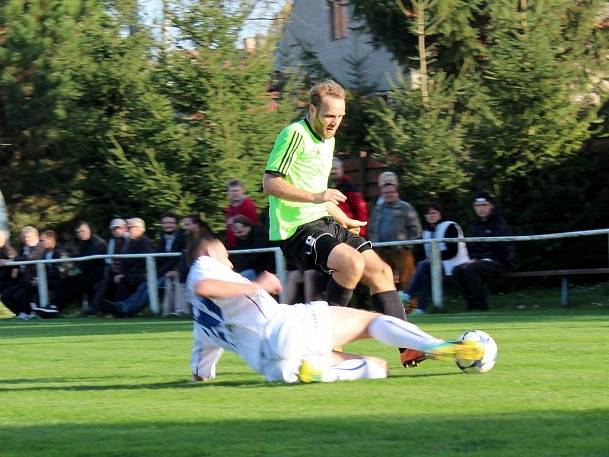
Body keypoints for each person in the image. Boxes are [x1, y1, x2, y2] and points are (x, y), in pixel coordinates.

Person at [262, 79, 420, 367]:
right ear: (312, 110)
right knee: (351, 264)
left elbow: (318, 196)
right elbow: (270, 183)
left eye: (340, 116)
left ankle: (407, 346)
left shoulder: (329, 139)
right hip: (296, 229)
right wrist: (316, 196)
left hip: (323, 221)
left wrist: (343, 218)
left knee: (382, 271)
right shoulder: (294, 134)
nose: (335, 122)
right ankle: (323, 344)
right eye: (329, 116)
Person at [188, 236, 483, 383]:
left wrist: (200, 378)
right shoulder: (203, 265)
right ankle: (437, 345)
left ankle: (319, 372)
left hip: (272, 367)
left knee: (379, 368)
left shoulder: (201, 326)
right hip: (287, 327)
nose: (229, 262)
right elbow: (204, 286)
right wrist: (257, 285)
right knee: (372, 321)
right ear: (208, 252)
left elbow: (201, 373)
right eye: (225, 256)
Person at [401, 203, 470, 314]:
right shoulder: (426, 232)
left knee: (423, 265)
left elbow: (453, 251)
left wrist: (434, 258)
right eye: (428, 213)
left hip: (455, 263)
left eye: (434, 212)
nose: (431, 215)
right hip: (437, 265)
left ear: (440, 214)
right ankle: (420, 309)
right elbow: (424, 252)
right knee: (424, 275)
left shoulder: (450, 226)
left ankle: (408, 294)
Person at [452, 192, 516, 311]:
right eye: (477, 205)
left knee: (471, 268)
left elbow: (504, 249)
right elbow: (473, 247)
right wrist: (474, 258)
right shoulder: (476, 225)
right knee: (458, 270)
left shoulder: (500, 223)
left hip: (499, 262)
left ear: (491, 205)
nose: (481, 208)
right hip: (481, 261)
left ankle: (482, 306)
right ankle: (471, 305)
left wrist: (484, 259)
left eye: (484, 205)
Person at [35, 222, 106, 317]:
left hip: (96, 275)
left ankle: (55, 308)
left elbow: (85, 264)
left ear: (90, 230)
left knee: (73, 286)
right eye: (78, 232)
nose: (80, 234)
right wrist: (70, 273)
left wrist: (73, 273)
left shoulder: (97, 243)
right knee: (64, 281)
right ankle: (53, 307)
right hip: (84, 274)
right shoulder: (82, 243)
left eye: (82, 231)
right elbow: (78, 262)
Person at [368, 183, 422, 293]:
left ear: (397, 193)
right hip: (382, 252)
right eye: (386, 193)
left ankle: (411, 308)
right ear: (382, 194)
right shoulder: (377, 210)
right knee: (385, 282)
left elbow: (416, 229)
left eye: (391, 192)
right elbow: (372, 229)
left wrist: (407, 245)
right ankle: (389, 308)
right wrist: (374, 245)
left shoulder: (405, 207)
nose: (389, 194)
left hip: (402, 252)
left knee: (408, 281)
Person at [108, 218, 153, 317]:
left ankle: (121, 308)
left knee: (125, 280)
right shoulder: (130, 242)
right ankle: (118, 307)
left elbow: (142, 264)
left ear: (140, 228)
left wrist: (125, 274)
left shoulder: (145, 242)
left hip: (142, 274)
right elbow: (126, 262)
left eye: (130, 227)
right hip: (133, 274)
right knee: (120, 279)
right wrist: (122, 274)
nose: (127, 230)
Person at [330, 158, 368, 238]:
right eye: (331, 168)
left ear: (341, 169)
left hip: (349, 232)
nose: (333, 171)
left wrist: (361, 234)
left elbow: (360, 209)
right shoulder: (325, 187)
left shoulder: (349, 187)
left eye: (335, 168)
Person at [229, 215, 274, 281]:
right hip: (252, 269)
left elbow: (256, 257)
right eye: (235, 232)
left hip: (264, 270)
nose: (238, 235)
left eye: (240, 232)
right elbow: (239, 257)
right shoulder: (241, 238)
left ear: (248, 226)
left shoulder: (260, 236)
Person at [225, 179, 259, 249]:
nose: (235, 193)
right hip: (233, 247)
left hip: (248, 246)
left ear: (243, 190)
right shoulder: (230, 208)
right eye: (232, 191)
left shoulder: (249, 205)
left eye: (237, 190)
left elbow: (253, 227)